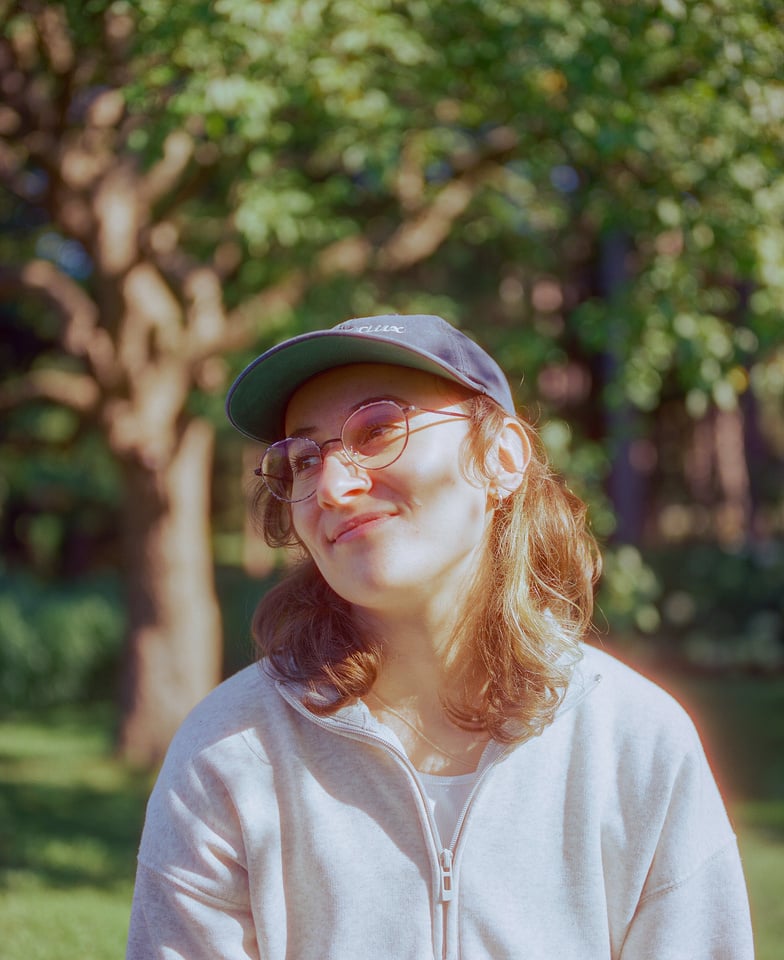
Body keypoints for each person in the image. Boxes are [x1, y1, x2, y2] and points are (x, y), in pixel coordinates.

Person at [127, 313, 754, 960]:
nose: (333, 488)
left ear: (501, 458)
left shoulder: (635, 742)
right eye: (305, 460)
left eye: (378, 429)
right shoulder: (229, 753)